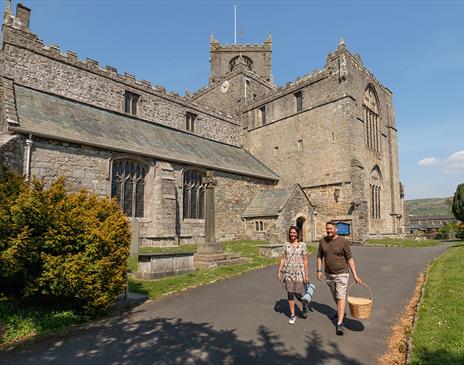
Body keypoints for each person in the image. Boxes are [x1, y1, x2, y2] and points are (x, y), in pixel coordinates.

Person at [317, 221, 362, 336]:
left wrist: (355, 275)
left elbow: (350, 259)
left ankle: (340, 323)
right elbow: (319, 257)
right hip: (329, 274)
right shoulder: (322, 241)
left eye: (331, 229)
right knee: (335, 296)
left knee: (341, 296)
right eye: (327, 229)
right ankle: (342, 313)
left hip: (342, 274)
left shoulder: (343, 241)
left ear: (336, 229)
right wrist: (319, 270)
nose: (329, 230)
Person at [277, 225, 310, 325]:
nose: (292, 234)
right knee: (290, 294)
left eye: (294, 233)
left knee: (298, 294)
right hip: (288, 273)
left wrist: (306, 275)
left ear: (297, 234)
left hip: (300, 273)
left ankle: (304, 305)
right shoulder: (285, 245)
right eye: (291, 232)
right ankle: (292, 314)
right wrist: (279, 271)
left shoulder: (303, 245)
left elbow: (305, 261)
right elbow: (283, 258)